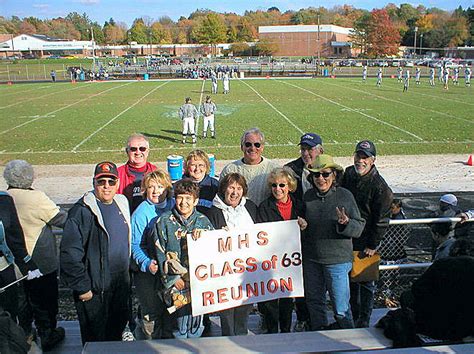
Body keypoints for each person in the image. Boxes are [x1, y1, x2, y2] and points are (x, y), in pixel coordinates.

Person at [60, 162, 131, 345]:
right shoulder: (81, 211)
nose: (106, 186)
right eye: (102, 181)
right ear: (94, 183)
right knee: (95, 338)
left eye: (111, 181)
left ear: (117, 183)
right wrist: (82, 287)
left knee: (115, 331)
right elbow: (69, 254)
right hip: (95, 286)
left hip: (119, 283)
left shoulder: (121, 202)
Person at [3, 160, 67, 351]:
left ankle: (24, 336)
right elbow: (60, 218)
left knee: (22, 303)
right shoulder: (36, 197)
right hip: (40, 261)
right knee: (45, 301)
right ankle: (47, 333)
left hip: (15, 264)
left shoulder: (5, 197)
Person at [303, 155, 365, 330]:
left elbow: (359, 227)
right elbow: (305, 227)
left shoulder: (345, 196)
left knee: (341, 309)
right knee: (315, 304)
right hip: (312, 260)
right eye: (316, 175)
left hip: (337, 261)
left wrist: (345, 223)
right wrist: (302, 226)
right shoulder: (308, 197)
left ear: (334, 175)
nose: (321, 178)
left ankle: (349, 342)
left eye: (325, 174)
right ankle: (320, 339)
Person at [150, 179, 214, 338]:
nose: (183, 202)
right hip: (176, 284)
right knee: (179, 324)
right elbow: (159, 252)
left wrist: (208, 236)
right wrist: (173, 279)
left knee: (196, 323)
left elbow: (215, 250)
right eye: (180, 197)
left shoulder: (203, 221)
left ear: (196, 201)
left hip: (197, 282)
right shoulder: (164, 221)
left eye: (188, 198)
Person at [341, 140, 393, 328]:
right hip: (346, 238)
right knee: (350, 283)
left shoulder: (380, 187)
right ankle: (354, 316)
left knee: (365, 283)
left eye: (365, 157)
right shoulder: (348, 173)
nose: (360, 161)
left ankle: (363, 320)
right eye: (358, 156)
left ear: (373, 160)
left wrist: (372, 244)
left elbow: (382, 219)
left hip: (364, 243)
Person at [204, 173, 258, 336]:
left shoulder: (250, 207)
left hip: (247, 271)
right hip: (224, 274)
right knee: (227, 313)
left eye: (239, 188)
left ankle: (241, 340)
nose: (235, 192)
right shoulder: (213, 212)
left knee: (244, 310)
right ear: (223, 189)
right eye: (231, 187)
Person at [257, 168, 307, 333]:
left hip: (292, 260)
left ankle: (285, 330)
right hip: (272, 260)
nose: (277, 189)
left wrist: (304, 226)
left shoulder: (300, 205)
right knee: (270, 299)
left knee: (287, 298)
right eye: (274, 185)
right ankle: (271, 331)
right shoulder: (265, 207)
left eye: (282, 185)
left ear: (290, 186)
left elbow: (307, 231)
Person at [285, 132, 323, 331]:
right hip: (297, 233)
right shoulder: (291, 169)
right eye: (303, 149)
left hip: (320, 234)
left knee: (316, 280)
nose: (306, 153)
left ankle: (317, 320)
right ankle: (302, 317)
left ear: (320, 150)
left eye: (310, 149)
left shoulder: (328, 169)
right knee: (298, 278)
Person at [131, 170, 175, 340]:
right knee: (151, 314)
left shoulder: (175, 205)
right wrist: (147, 263)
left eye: (160, 186)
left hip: (171, 271)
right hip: (149, 273)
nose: (156, 191)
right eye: (151, 187)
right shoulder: (141, 212)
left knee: (172, 311)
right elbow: (135, 245)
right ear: (145, 190)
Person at [0, 192, 41, 325]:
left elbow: (14, 236)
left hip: (4, 271)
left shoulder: (4, 200)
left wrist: (27, 264)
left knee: (9, 316)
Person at [220, 128, 280, 206]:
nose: (252, 148)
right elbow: (221, 196)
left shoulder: (274, 169)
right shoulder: (229, 170)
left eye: (257, 145)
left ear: (262, 147)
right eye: (248, 144)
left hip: (265, 215)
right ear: (242, 147)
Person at [117, 133, 157, 213]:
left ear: (148, 151)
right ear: (127, 151)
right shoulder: (117, 174)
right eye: (133, 149)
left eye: (142, 149)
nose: (138, 152)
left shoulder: (156, 172)